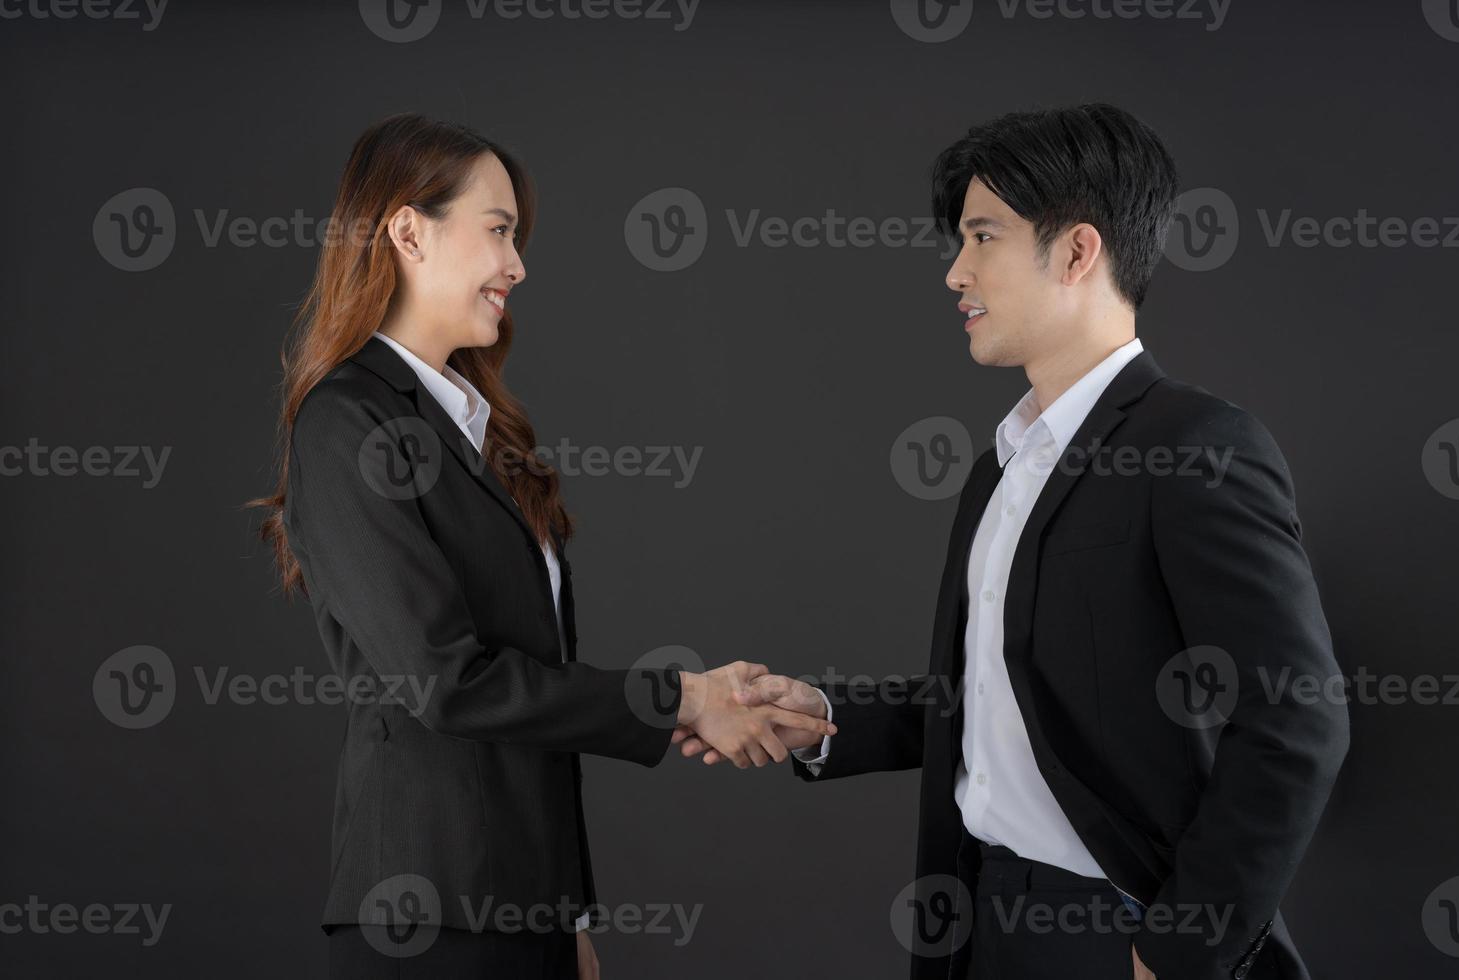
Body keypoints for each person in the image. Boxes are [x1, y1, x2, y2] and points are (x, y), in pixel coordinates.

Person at [674, 104, 1349, 980]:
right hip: (981, 919)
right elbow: (991, 696)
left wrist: (1181, 948)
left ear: (1077, 251)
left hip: (1118, 930)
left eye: (982, 237)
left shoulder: (1197, 447)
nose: (957, 272)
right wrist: (822, 724)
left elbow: (1297, 717)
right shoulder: (1002, 465)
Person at [249, 112, 834, 980]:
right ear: (408, 231)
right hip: (428, 917)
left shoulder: (472, 430)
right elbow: (449, 684)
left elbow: (529, 692)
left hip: (519, 912)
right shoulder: (347, 422)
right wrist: (683, 698)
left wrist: (564, 913)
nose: (517, 265)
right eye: (498, 232)